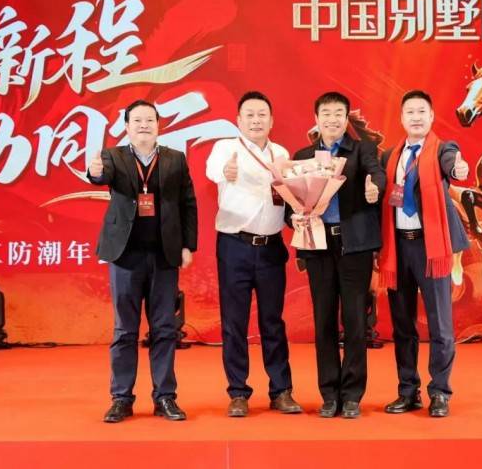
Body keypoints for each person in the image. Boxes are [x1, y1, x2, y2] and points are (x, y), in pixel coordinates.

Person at [87, 99, 197, 423]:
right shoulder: (114, 156)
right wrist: (95, 172)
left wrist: (188, 246)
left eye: (150, 120)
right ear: (127, 126)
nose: (144, 125)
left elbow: (188, 203)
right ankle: (121, 398)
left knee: (164, 328)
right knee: (125, 330)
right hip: (125, 255)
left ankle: (165, 397)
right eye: (137, 120)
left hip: (164, 255)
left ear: (159, 125)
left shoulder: (175, 159)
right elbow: (100, 176)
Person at [206, 91, 302, 417]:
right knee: (234, 322)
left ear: (271, 120)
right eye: (249, 115)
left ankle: (281, 390)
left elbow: (288, 197)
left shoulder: (281, 153)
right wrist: (226, 172)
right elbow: (213, 171)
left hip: (272, 247)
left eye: (262, 115)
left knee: (273, 322)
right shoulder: (225, 148)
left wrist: (298, 216)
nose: (256, 120)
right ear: (238, 120)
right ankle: (238, 393)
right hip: (235, 246)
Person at [290, 91, 385, 419]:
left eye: (338, 114)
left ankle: (353, 394)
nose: (332, 119)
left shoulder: (362, 151)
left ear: (346, 119)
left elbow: (377, 174)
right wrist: (293, 216)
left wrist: (374, 187)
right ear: (316, 119)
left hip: (354, 246)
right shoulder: (303, 157)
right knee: (324, 320)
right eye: (326, 113)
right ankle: (329, 394)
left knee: (356, 320)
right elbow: (292, 200)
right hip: (318, 247)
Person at [378, 89, 470, 418]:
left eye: (422, 112)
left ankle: (440, 392)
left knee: (440, 325)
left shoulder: (443, 150)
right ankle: (408, 392)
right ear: (401, 118)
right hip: (398, 248)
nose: (416, 117)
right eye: (410, 112)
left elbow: (453, 165)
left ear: (431, 117)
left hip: (431, 247)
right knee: (402, 326)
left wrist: (458, 169)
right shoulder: (390, 157)